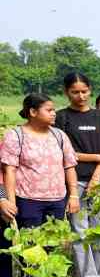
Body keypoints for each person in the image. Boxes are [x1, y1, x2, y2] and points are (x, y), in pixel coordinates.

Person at [54, 72, 100, 277]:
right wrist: (97, 157)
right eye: (75, 92)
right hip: (74, 181)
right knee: (80, 231)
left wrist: (97, 174)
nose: (80, 96)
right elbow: (66, 152)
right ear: (66, 92)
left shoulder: (99, 116)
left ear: (90, 90)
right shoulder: (62, 118)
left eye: (84, 91)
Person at [1, 93, 79, 228]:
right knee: (31, 245)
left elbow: (69, 166)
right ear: (33, 112)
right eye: (49, 110)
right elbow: (9, 171)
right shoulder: (16, 135)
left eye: (54, 110)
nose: (54, 113)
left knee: (55, 245)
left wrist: (74, 196)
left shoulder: (59, 135)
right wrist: (11, 202)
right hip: (27, 202)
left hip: (57, 201)